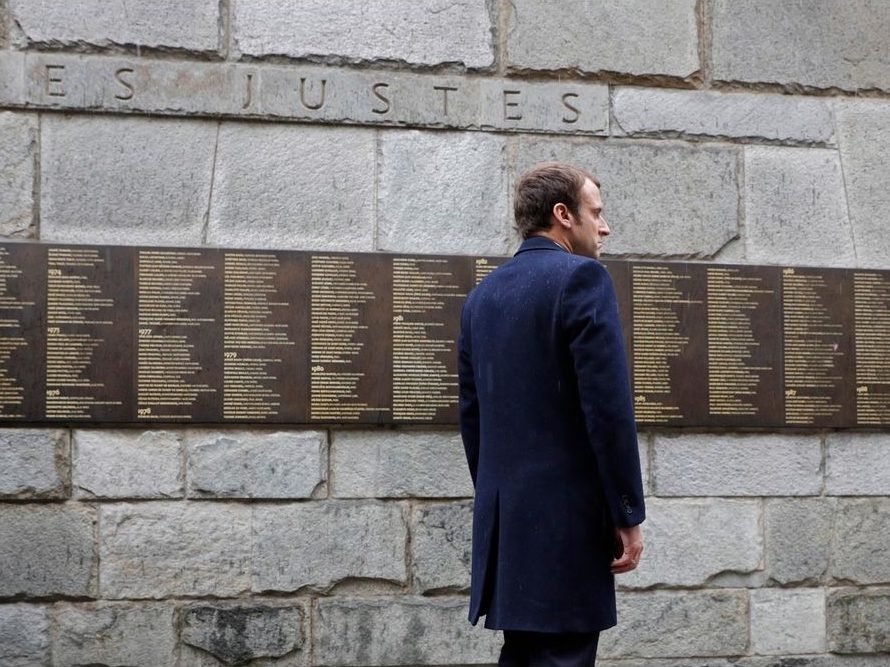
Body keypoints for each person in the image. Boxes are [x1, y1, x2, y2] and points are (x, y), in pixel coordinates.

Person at [458, 162, 645, 666]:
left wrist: (506, 505)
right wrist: (627, 513)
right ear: (563, 215)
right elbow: (607, 410)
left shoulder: (481, 297)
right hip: (568, 527)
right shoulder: (583, 278)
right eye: (596, 213)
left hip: (509, 525)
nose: (604, 227)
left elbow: (473, 420)